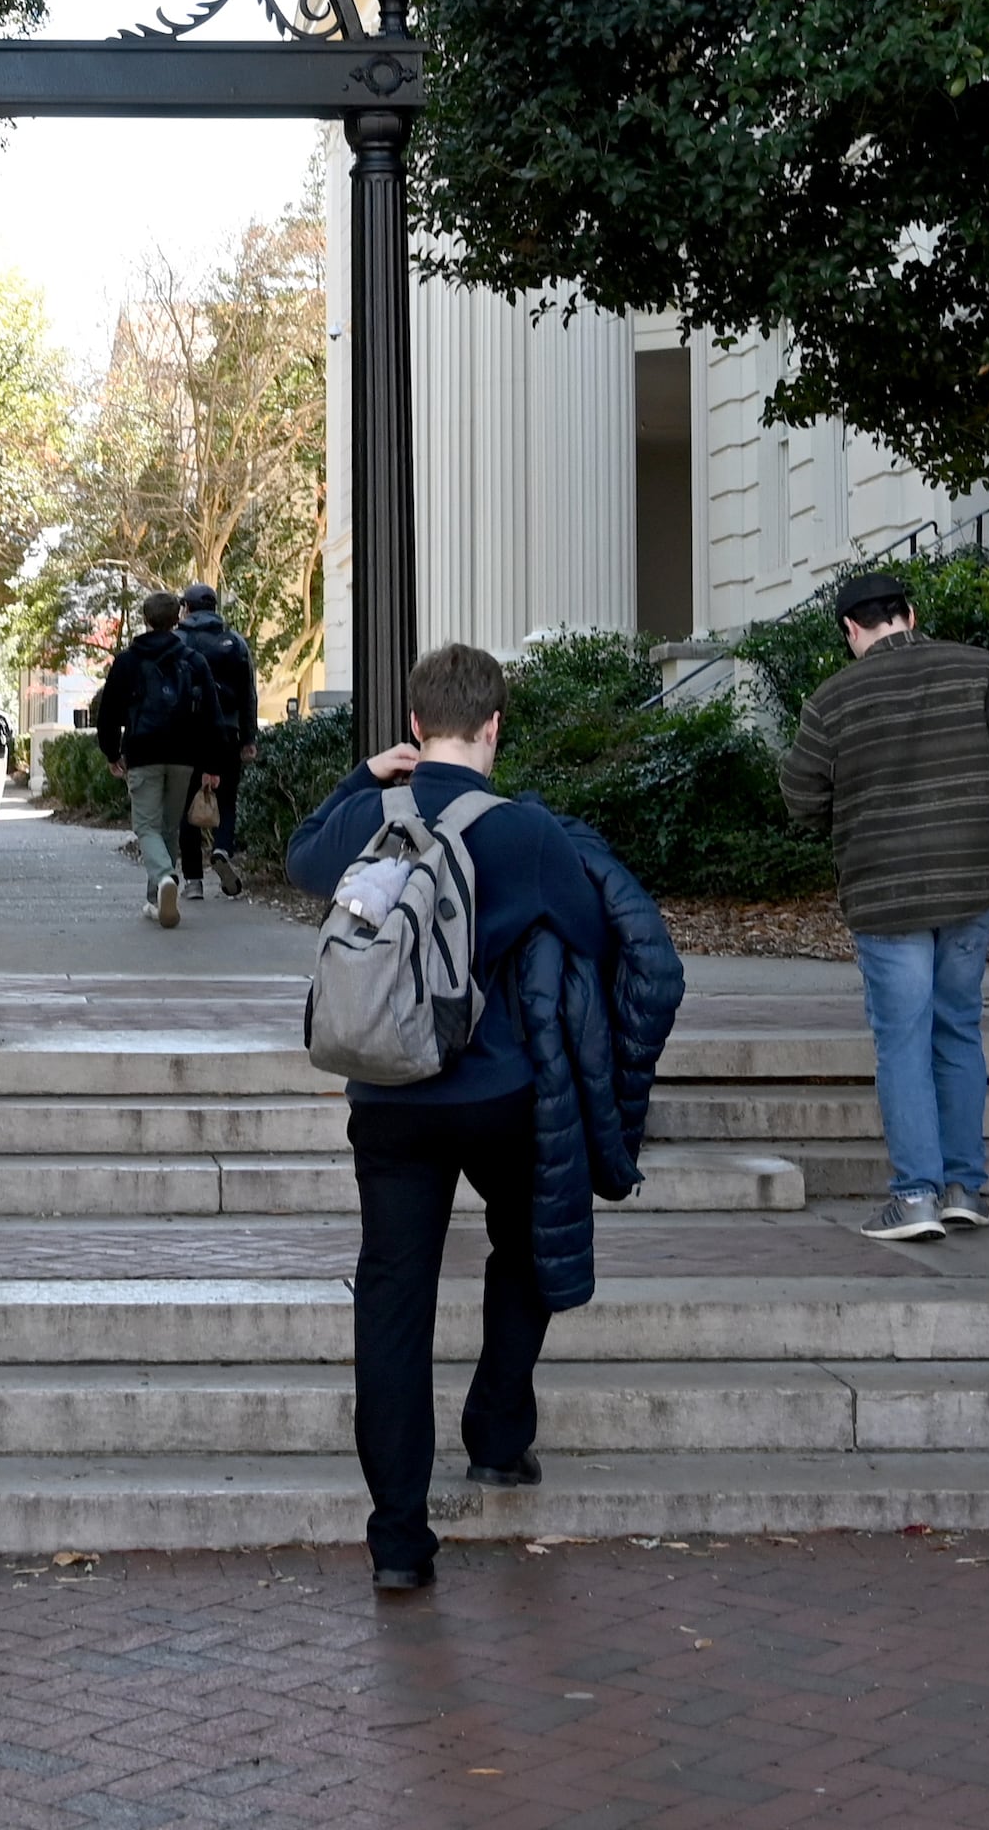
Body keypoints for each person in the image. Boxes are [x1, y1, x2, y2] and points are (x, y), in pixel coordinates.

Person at [287, 640, 688, 1593]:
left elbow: (305, 860)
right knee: (525, 1247)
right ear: (496, 724)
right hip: (502, 1094)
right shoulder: (528, 834)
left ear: (416, 725)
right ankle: (500, 1432)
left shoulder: (367, 817)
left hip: (387, 1098)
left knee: (392, 1300)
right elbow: (594, 942)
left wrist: (365, 774)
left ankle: (397, 1542)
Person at [778, 571, 989, 1240]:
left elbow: (800, 800)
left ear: (851, 630)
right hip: (970, 881)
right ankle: (964, 1187)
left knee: (902, 1041)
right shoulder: (978, 670)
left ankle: (916, 1196)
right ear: (911, 614)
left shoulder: (831, 701)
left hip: (883, 890)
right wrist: (979, 807)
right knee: (957, 1027)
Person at [92, 591, 223, 926]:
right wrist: (212, 765)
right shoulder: (193, 660)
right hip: (184, 754)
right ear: (177, 617)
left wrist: (111, 750)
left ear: (146, 619)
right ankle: (156, 900)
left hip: (143, 750)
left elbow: (108, 712)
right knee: (168, 826)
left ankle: (165, 879)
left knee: (146, 825)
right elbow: (212, 713)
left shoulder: (128, 661)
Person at [174, 584, 261, 895]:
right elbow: (248, 694)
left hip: (186, 737)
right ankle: (222, 849)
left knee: (187, 807)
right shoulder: (235, 642)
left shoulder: (177, 641)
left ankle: (193, 881)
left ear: (187, 608)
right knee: (226, 800)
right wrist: (248, 737)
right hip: (227, 732)